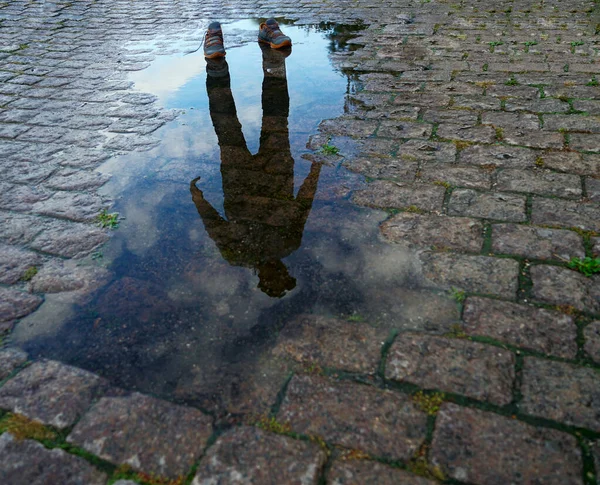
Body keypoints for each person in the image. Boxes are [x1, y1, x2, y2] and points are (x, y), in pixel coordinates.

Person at [190, 20, 322, 298]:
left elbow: (214, 226)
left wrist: (199, 199)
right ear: (287, 272)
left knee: (225, 122)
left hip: (237, 178)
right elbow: (303, 206)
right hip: (277, 172)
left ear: (261, 281)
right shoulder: (289, 244)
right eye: (283, 277)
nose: (278, 274)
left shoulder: (236, 255)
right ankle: (269, 40)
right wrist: (314, 173)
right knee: (277, 115)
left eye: (274, 280)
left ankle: (215, 57)